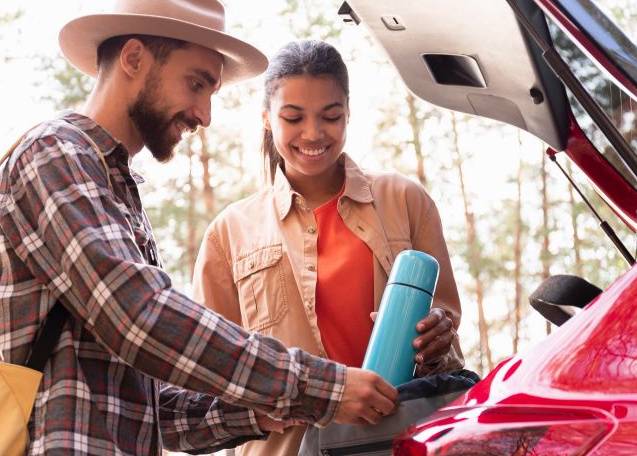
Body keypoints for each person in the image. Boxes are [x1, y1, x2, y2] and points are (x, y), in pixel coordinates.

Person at [0, 0, 397, 455]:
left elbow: (152, 410)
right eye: (197, 83)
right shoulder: (54, 153)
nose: (204, 114)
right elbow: (140, 316)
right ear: (134, 59)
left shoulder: (114, 188)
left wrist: (257, 410)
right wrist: (322, 387)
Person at [191, 39, 466, 456]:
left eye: (330, 116)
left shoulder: (404, 200)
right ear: (267, 119)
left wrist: (437, 337)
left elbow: (447, 334)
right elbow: (212, 376)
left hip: (394, 442)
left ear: (349, 114)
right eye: (293, 117)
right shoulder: (228, 233)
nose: (314, 133)